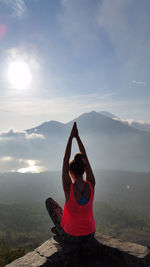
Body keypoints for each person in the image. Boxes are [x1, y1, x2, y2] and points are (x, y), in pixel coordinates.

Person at [45, 122, 96, 243]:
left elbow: (65, 160)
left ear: (70, 172)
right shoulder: (91, 184)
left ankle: (61, 229)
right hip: (90, 234)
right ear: (84, 170)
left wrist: (71, 137)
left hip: (72, 237)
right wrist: (77, 137)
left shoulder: (69, 188)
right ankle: (64, 227)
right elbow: (86, 159)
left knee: (50, 203)